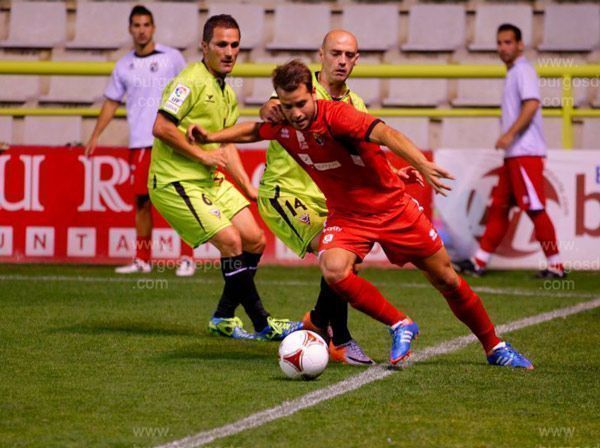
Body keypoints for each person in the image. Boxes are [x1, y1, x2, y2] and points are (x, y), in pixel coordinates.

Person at [190, 59, 534, 369]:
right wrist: (210, 136)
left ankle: (494, 346)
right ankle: (400, 324)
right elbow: (254, 130)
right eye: (288, 106)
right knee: (334, 269)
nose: (295, 113)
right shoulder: (286, 125)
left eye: (301, 104)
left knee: (446, 279)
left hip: (393, 209)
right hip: (347, 216)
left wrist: (420, 163)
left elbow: (386, 133)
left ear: (314, 93)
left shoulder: (338, 116)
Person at [253, 30, 420, 366]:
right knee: (333, 254)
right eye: (335, 54)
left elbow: (365, 148)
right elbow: (269, 108)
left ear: (356, 60)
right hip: (286, 194)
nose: (341, 61)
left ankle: (317, 320)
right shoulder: (300, 91)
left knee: (345, 262)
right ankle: (339, 338)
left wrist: (393, 171)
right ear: (322, 55)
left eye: (348, 55)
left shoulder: (354, 104)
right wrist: (267, 107)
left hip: (328, 200)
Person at [149, 15, 301, 340]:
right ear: (204, 46)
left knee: (254, 239)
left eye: (234, 45)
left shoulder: (227, 91)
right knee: (231, 241)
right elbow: (161, 127)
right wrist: (203, 155)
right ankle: (262, 322)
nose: (229, 51)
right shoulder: (190, 81)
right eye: (221, 44)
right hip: (176, 180)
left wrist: (247, 186)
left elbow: (225, 143)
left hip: (207, 178)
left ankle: (222, 317)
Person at [85, 5, 196, 277]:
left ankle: (187, 258)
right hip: (139, 143)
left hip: (170, 139)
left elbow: (189, 88)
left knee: (180, 199)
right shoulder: (124, 65)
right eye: (136, 25)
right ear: (130, 29)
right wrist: (96, 135)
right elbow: (111, 102)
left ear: (153, 27)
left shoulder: (172, 58)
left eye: (146, 24)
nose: (141, 30)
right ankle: (143, 259)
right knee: (142, 202)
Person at [454, 23, 565, 279]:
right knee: (499, 208)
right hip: (514, 155)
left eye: (508, 42)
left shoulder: (523, 71)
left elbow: (532, 104)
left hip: (525, 152)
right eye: (500, 42)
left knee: (535, 208)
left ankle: (556, 266)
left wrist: (509, 134)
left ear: (520, 44)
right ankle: (479, 262)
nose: (503, 47)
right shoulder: (514, 72)